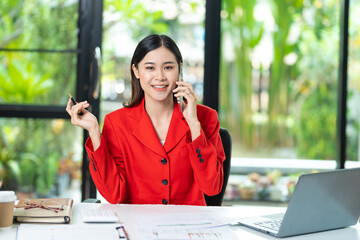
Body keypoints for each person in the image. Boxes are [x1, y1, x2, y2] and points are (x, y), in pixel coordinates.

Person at [66, 34, 225, 205]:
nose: (160, 77)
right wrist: (94, 132)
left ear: (179, 70)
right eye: (150, 68)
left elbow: (212, 187)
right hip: (137, 226)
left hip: (188, 226)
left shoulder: (205, 117)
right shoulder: (116, 122)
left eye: (168, 68)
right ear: (136, 71)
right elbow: (113, 195)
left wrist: (194, 124)